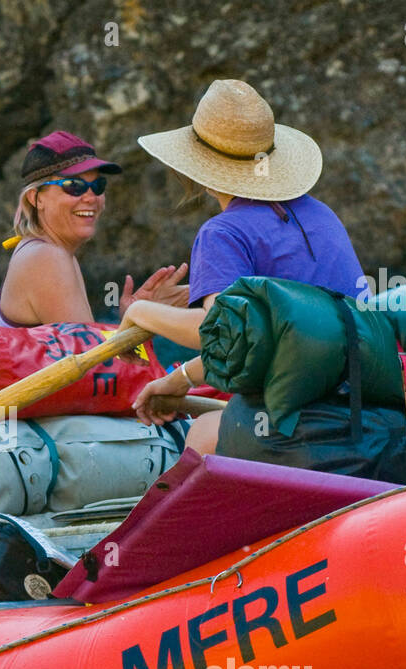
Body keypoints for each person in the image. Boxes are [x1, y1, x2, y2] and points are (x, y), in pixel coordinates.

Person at [119, 79, 366, 453]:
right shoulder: (320, 213)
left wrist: (140, 312)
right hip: (361, 399)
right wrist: (182, 379)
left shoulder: (222, 232)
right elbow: (264, 336)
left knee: (199, 437)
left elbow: (217, 332)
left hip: (305, 412)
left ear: (196, 166)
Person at [0, 131, 186, 327]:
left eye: (98, 185)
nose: (91, 197)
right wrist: (144, 318)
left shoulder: (50, 252)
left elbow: (85, 353)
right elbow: (91, 356)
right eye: (73, 185)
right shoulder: (47, 257)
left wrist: (135, 315)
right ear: (36, 198)